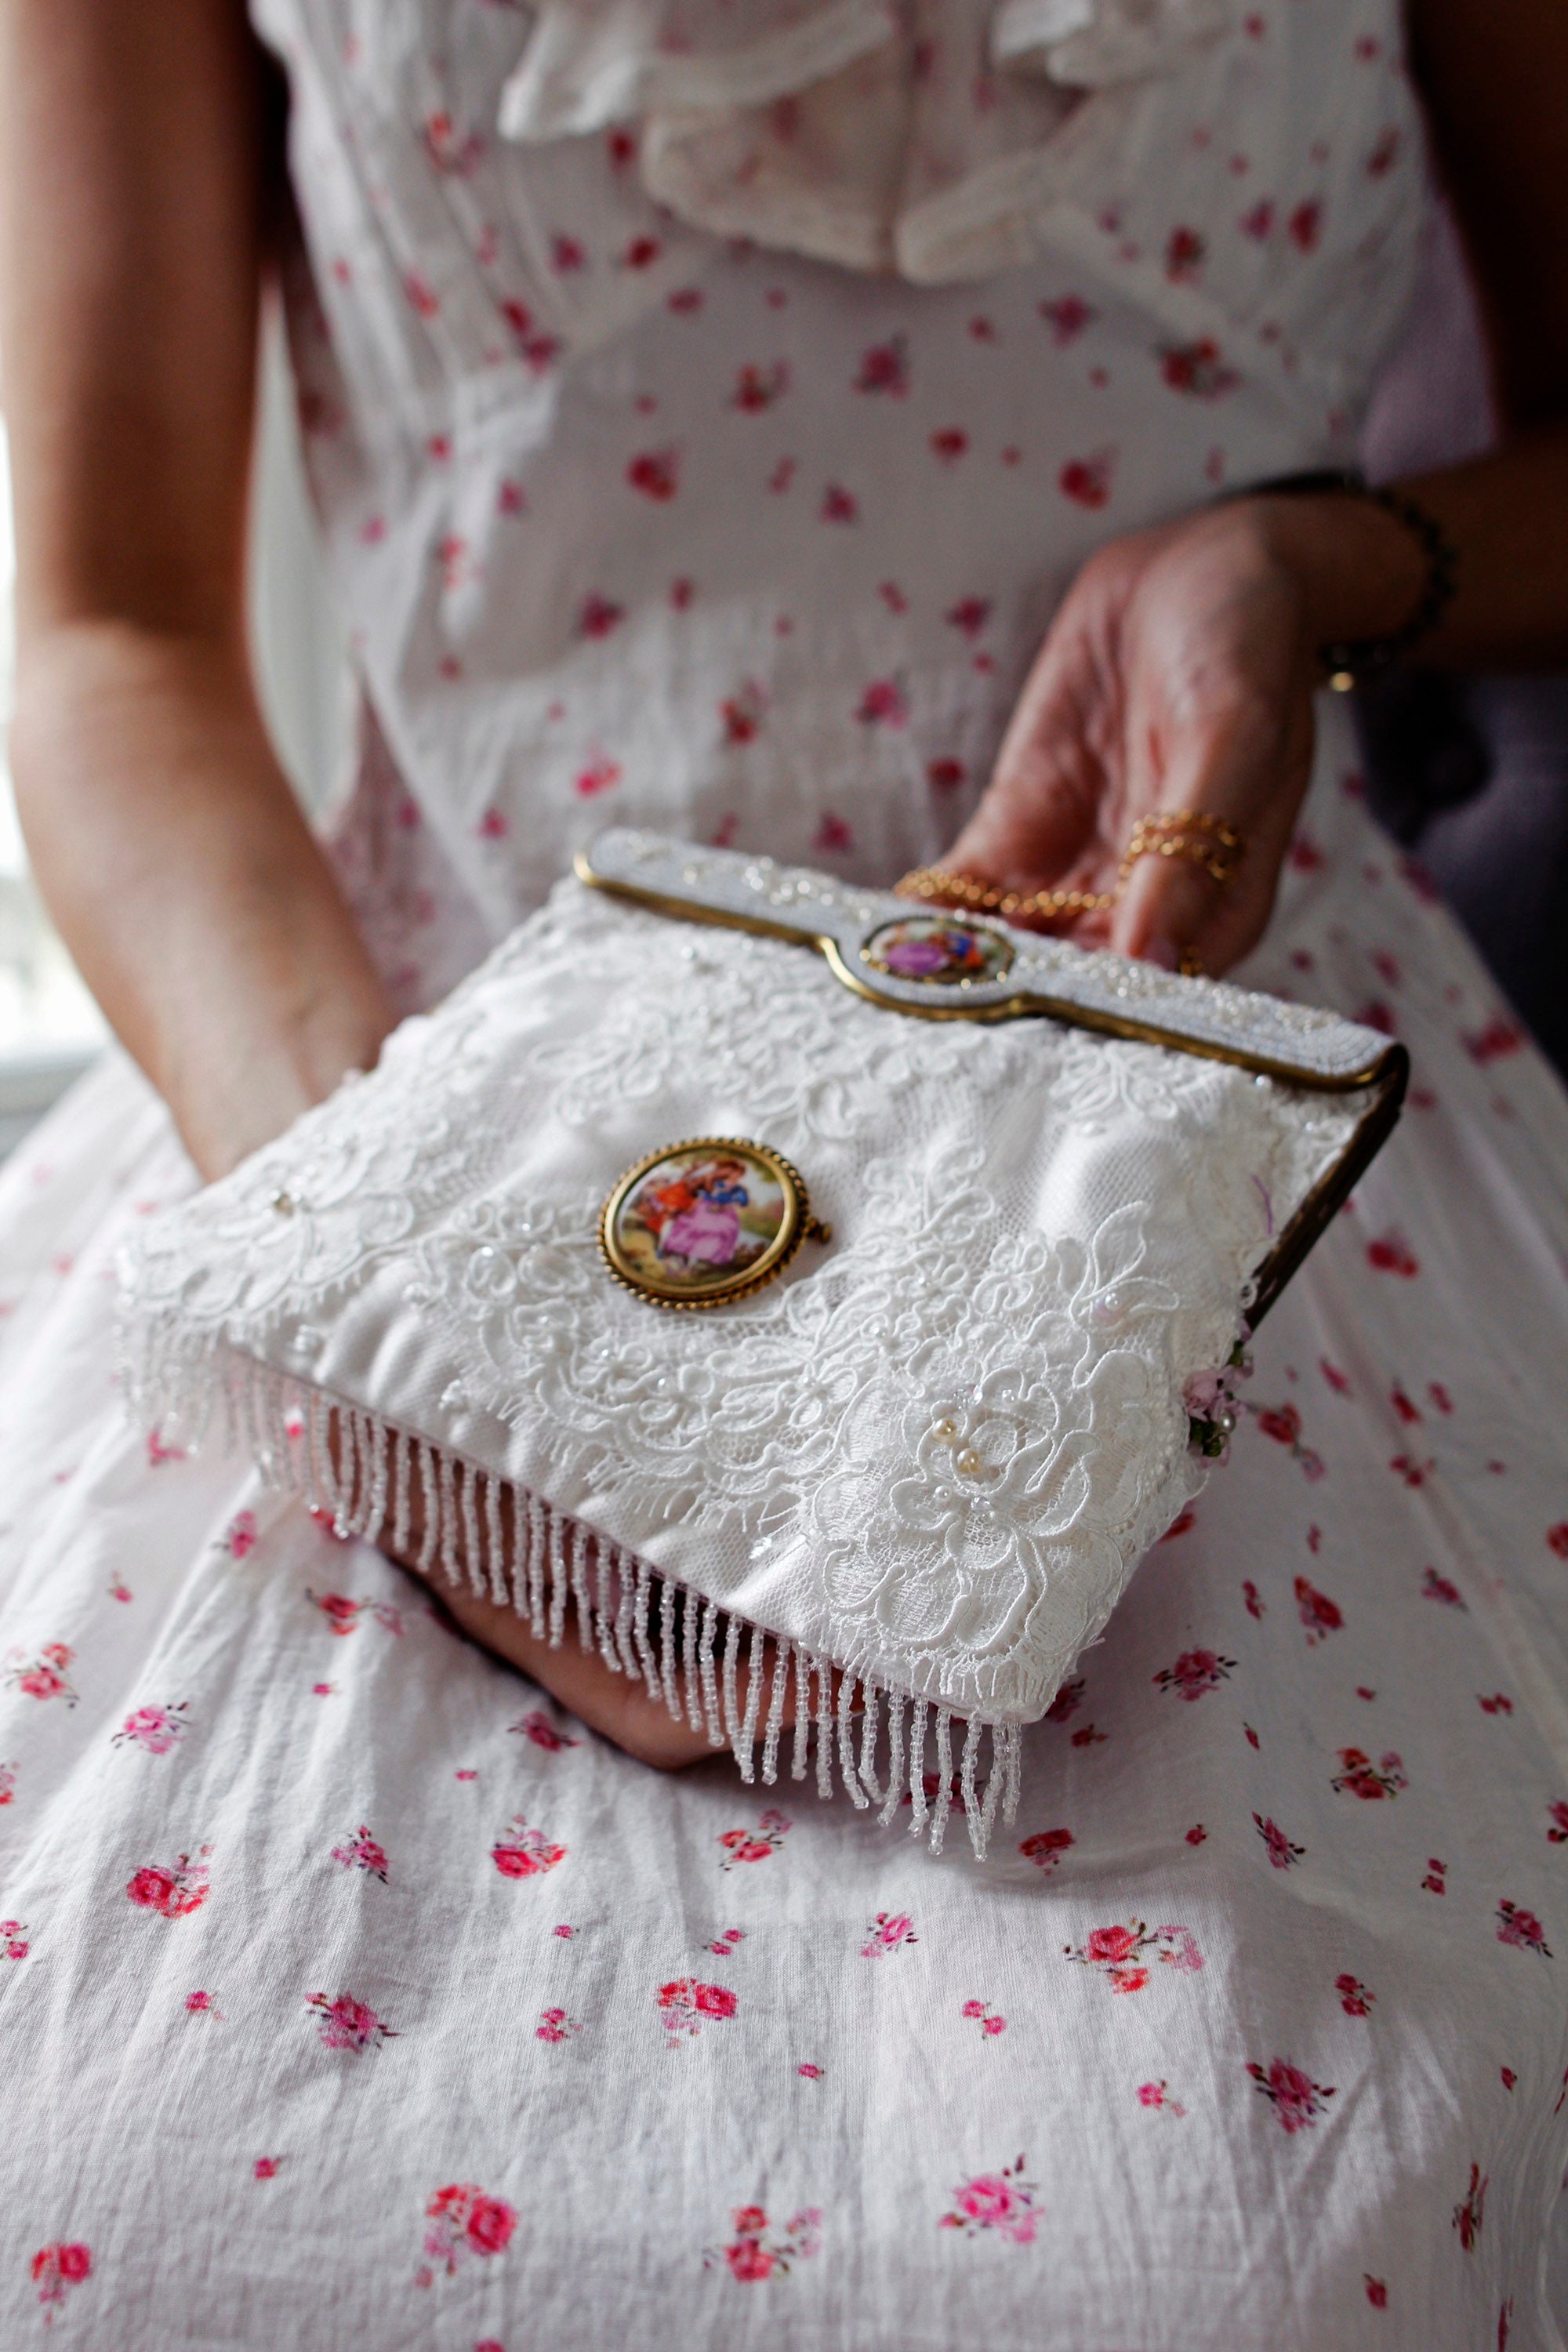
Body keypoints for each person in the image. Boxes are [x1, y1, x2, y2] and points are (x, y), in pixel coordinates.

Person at [0, 2, 1566, 2344]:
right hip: (388, 1092)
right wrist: (410, 1314)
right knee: (110, 2154)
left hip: (1219, 1112)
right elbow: (110, 630)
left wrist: (1300, 561)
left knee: (1245, 2230)